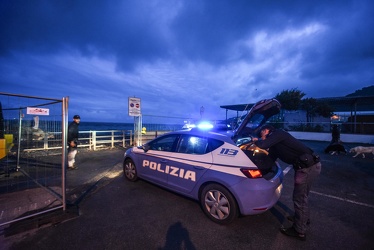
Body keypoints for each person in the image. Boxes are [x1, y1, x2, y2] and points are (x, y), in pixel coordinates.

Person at [253, 124, 321, 241]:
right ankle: (303, 219)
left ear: (266, 130)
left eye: (261, 135)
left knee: (299, 198)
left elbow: (263, 144)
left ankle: (299, 231)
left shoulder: (278, 133)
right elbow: (268, 162)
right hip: (306, 167)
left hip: (307, 168)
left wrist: (255, 140)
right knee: (302, 196)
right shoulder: (275, 145)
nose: (262, 137)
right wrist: (254, 165)